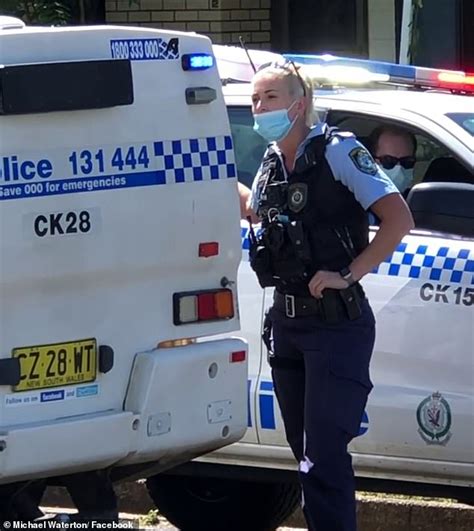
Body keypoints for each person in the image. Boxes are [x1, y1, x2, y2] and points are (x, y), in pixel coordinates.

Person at [239, 61, 414, 531]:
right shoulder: (273, 159)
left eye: (270, 98)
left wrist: (349, 273)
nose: (260, 108)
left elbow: (397, 219)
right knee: (305, 459)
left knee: (323, 459)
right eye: (255, 100)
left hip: (336, 326)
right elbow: (256, 213)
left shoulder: (339, 151)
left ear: (300, 103)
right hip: (288, 326)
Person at [368, 125, 417, 196]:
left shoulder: (419, 202)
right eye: (388, 161)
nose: (399, 168)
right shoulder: (353, 202)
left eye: (407, 161)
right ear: (371, 160)